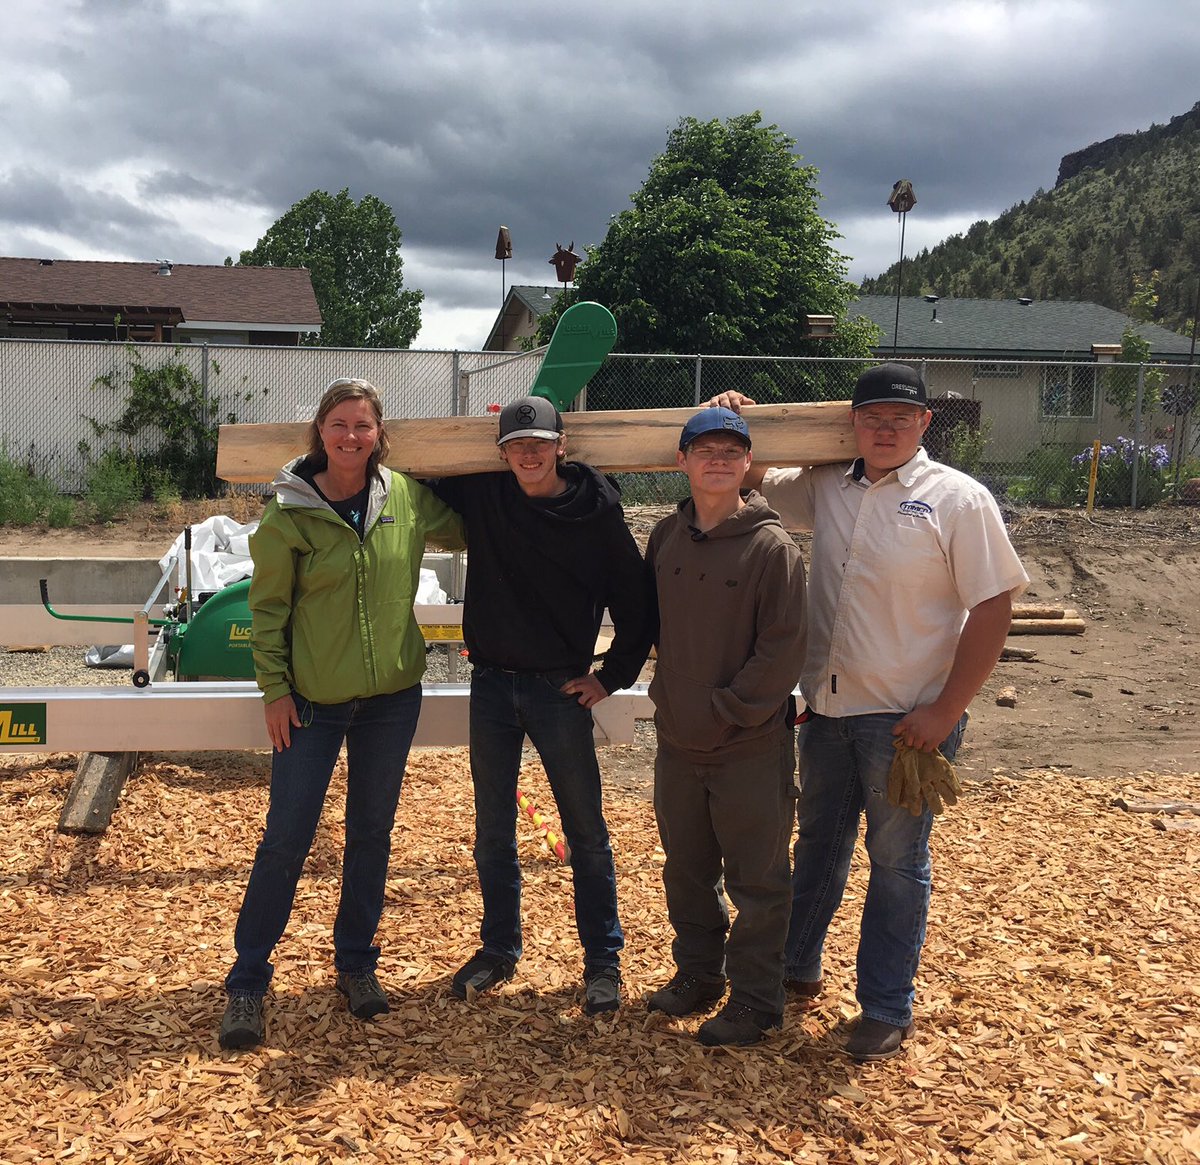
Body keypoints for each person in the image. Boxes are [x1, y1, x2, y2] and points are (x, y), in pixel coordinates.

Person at [713, 363, 1028, 1061]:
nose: (884, 428)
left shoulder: (957, 500)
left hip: (908, 720)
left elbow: (995, 604)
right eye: (872, 416)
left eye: (900, 417)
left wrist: (947, 709)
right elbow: (751, 476)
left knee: (895, 862)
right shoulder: (829, 484)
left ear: (923, 423)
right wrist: (740, 413)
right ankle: (797, 966)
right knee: (818, 847)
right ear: (853, 422)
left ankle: (886, 1005)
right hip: (827, 713)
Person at [219, 377, 466, 1051]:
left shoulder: (407, 500)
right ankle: (247, 977)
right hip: (311, 705)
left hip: (391, 698)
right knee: (285, 838)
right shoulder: (291, 512)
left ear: (379, 434)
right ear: (320, 433)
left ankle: (356, 963)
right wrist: (274, 689)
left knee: (371, 833)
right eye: (339, 424)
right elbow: (266, 609)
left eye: (363, 425)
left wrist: (507, 463)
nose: (351, 436)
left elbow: (473, 529)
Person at [429, 395, 652, 1016]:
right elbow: (414, 469)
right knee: (493, 828)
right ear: (500, 453)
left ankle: (603, 962)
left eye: (539, 443)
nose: (527, 454)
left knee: (585, 829)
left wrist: (611, 676)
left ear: (562, 446)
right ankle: (500, 948)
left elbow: (637, 604)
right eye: (515, 445)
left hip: (559, 688)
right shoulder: (486, 497)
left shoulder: (597, 513)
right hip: (493, 686)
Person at [644, 407, 807, 1047]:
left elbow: (784, 646)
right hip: (677, 743)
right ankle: (699, 974)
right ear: (681, 462)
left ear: (747, 466)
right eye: (702, 449)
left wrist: (729, 711)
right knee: (685, 870)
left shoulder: (773, 549)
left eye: (730, 450)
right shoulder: (666, 537)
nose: (716, 459)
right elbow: (649, 623)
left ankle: (759, 1000)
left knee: (758, 879)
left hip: (749, 745)